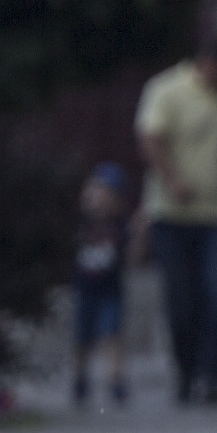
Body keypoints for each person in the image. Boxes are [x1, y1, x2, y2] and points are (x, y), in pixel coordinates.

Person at [136, 40, 217, 406]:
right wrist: (172, 179)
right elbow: (151, 138)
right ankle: (186, 372)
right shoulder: (166, 89)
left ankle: (212, 376)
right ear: (210, 62)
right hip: (173, 216)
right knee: (182, 300)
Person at [70, 164, 132, 411]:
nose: (101, 198)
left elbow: (131, 256)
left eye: (108, 193)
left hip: (110, 291)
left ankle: (116, 379)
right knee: (82, 337)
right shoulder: (79, 224)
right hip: (84, 289)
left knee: (112, 334)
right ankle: (80, 378)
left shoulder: (120, 227)